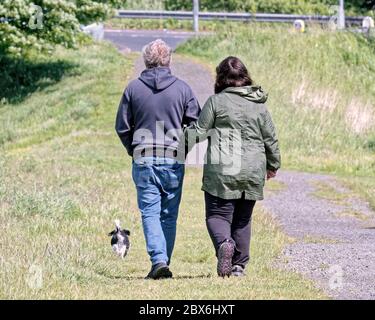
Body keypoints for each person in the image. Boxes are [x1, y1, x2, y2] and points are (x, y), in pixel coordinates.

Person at [186, 56, 281, 277]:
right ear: (245, 76)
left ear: (220, 78)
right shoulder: (258, 105)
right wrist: (273, 164)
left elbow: (199, 132)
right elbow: (271, 139)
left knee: (218, 216)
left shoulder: (215, 102)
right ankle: (238, 265)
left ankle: (224, 244)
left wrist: (176, 146)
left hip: (222, 171)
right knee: (243, 218)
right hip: (252, 171)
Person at [115, 39, 200, 279]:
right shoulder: (183, 89)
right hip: (173, 158)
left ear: (145, 60)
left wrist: (133, 149)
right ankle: (162, 261)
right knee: (168, 215)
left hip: (143, 158)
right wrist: (183, 147)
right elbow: (198, 123)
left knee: (150, 212)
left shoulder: (133, 88)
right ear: (168, 60)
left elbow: (122, 127)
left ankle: (159, 261)